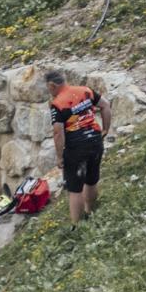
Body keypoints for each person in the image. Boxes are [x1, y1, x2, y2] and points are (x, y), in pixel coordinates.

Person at [47, 70, 112, 224]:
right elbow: (105, 105)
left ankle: (77, 225)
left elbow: (58, 132)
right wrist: (105, 129)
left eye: (48, 88)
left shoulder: (57, 103)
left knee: (75, 189)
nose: (48, 91)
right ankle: (92, 212)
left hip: (76, 147)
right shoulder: (85, 91)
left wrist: (59, 156)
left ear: (52, 85)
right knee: (91, 180)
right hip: (95, 141)